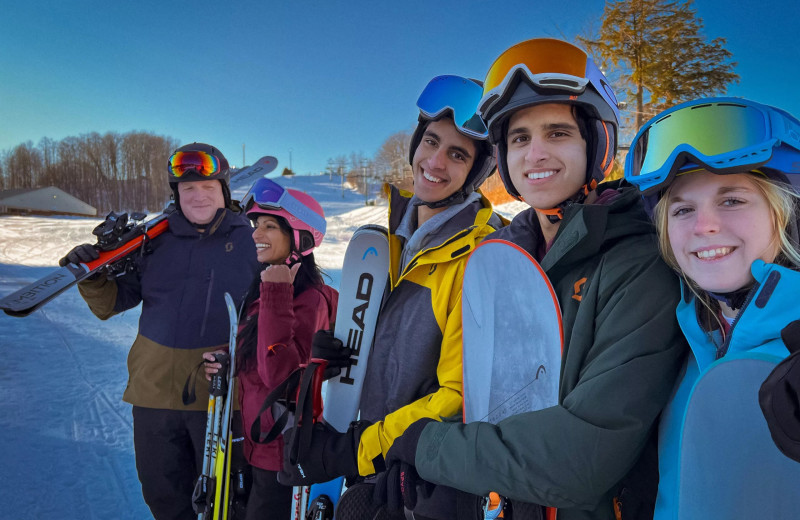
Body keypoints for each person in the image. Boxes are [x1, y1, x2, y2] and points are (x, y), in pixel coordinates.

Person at [374, 38, 687, 520]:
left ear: (596, 143)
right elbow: (487, 401)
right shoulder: (506, 258)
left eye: (558, 133)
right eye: (519, 138)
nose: (535, 154)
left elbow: (583, 455)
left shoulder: (637, 263)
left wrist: (429, 449)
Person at [278, 74, 505, 519]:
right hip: (366, 467)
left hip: (417, 483)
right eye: (431, 141)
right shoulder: (386, 246)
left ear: (476, 172)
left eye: (457, 154)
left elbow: (458, 395)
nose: (435, 162)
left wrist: (358, 449)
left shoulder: (481, 257)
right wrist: (331, 370)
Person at [60, 143, 260, 520]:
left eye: (208, 188)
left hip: (220, 397)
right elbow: (110, 304)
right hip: (153, 395)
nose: (198, 196)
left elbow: (275, 309)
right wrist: (92, 275)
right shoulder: (153, 242)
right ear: (176, 194)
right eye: (188, 189)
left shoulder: (251, 241)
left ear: (225, 191)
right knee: (163, 496)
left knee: (227, 503)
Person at [623, 97, 800, 518]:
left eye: (732, 200)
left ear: (788, 213)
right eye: (683, 209)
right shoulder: (681, 339)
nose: (704, 226)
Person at [203, 178, 338, 520]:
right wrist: (228, 358)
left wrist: (276, 294)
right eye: (255, 225)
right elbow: (259, 348)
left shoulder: (309, 299)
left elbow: (280, 374)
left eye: (268, 226)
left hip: (283, 456)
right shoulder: (267, 285)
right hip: (256, 447)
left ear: (299, 237)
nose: (255, 234)